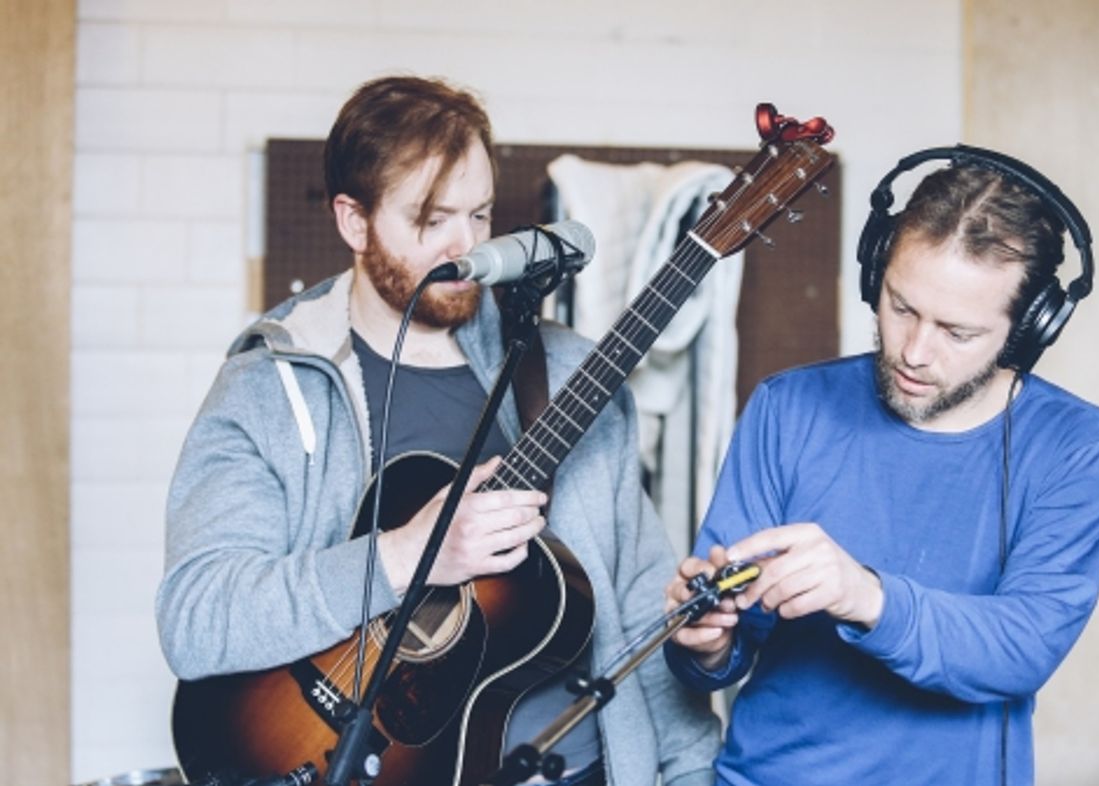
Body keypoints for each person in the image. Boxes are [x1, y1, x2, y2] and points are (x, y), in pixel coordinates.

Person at [156, 75, 718, 786]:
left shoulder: (569, 375)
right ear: (353, 221)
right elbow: (197, 618)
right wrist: (405, 556)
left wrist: (693, 771)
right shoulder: (272, 387)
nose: (467, 247)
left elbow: (641, 607)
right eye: (431, 219)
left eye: (480, 215)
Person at [664, 148, 1099, 785]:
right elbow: (720, 653)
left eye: (957, 332)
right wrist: (708, 642)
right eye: (900, 307)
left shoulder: (1078, 449)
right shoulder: (788, 407)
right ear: (874, 275)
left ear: (1028, 331)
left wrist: (865, 595)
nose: (914, 351)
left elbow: (1022, 646)